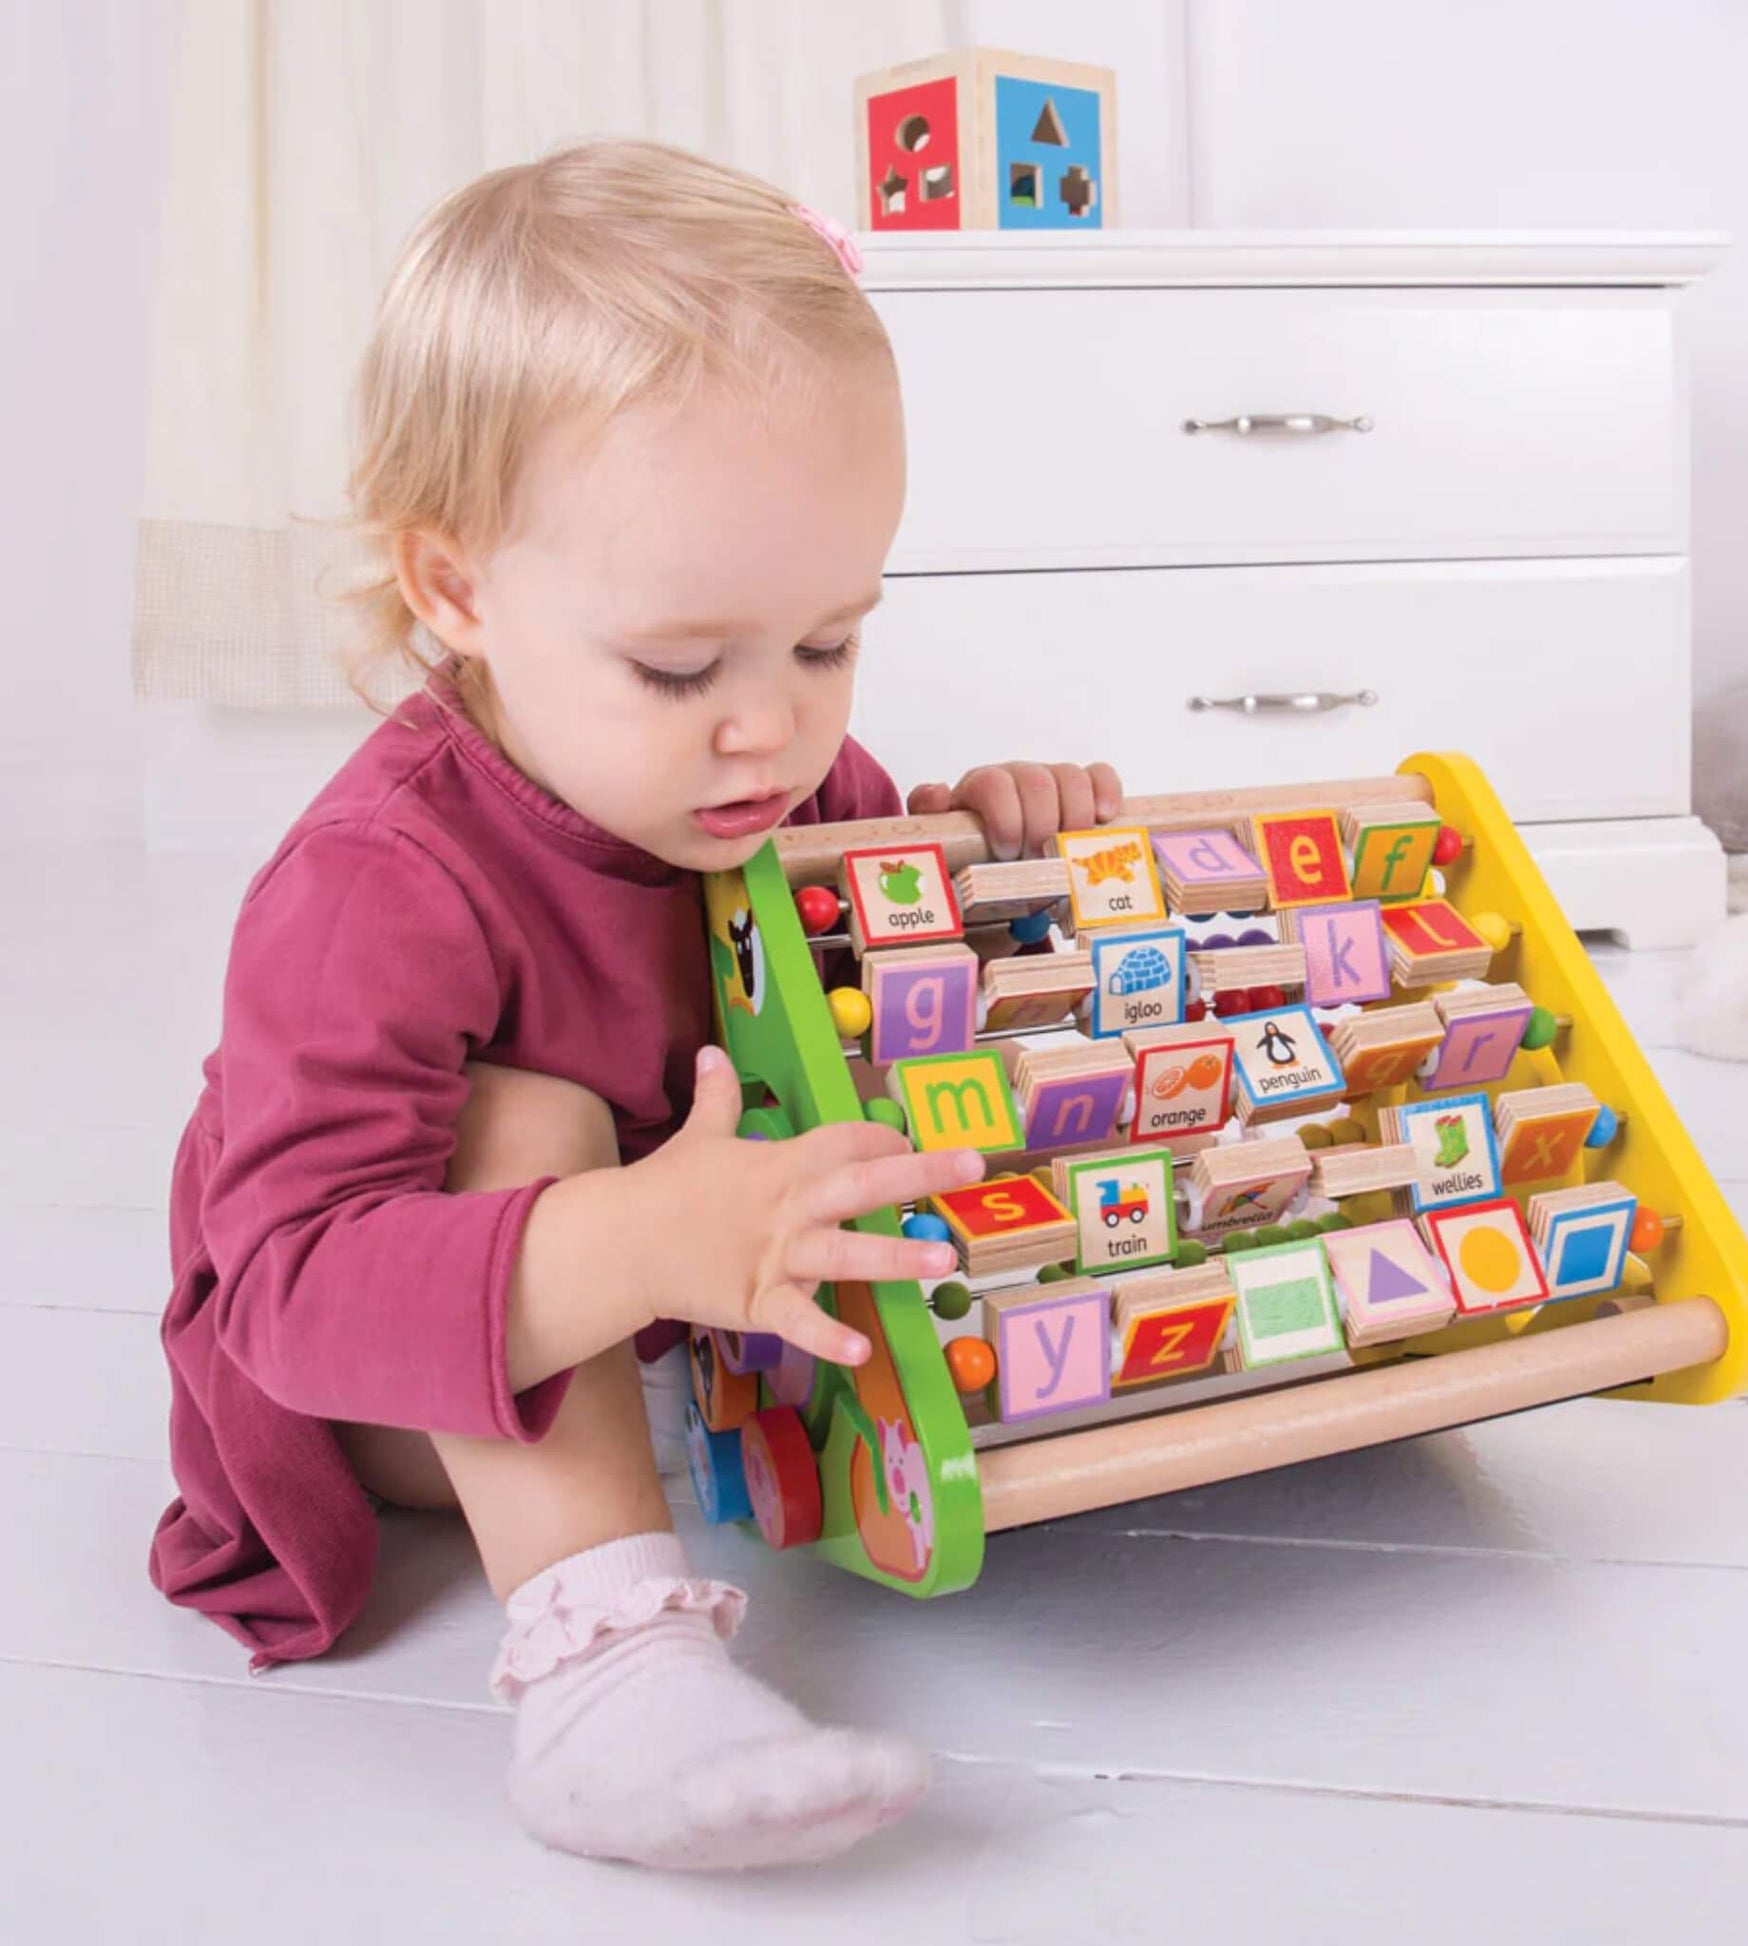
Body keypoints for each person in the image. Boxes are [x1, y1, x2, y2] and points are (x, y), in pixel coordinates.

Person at [149, 139, 1122, 1872]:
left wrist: (981, 862)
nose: (773, 729)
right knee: (527, 1116)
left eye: (828, 644)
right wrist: (638, 1239)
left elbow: (881, 986)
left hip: (690, 1343)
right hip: (387, 1377)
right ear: (457, 590)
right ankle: (611, 1680)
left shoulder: (790, 789)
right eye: (682, 667)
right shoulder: (378, 882)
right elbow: (288, 1299)